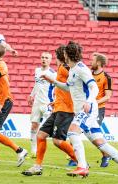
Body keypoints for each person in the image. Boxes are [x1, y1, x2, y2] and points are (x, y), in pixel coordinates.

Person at [42, 41, 118, 181]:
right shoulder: (72, 70)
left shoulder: (81, 69)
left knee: (72, 131)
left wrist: (89, 101)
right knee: (101, 144)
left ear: (67, 54)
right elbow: (68, 87)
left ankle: (82, 166)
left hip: (87, 110)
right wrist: (53, 82)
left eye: (65, 52)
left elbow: (94, 88)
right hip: (83, 110)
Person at [22, 45, 77, 176]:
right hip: (57, 107)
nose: (44, 59)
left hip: (65, 109)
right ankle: (37, 166)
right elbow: (61, 88)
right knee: (41, 135)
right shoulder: (60, 68)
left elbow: (72, 87)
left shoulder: (65, 69)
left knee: (58, 141)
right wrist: (56, 100)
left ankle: (80, 162)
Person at [27, 52, 56, 158]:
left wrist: (55, 101)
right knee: (34, 125)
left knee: (53, 127)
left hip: (47, 103)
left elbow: (57, 88)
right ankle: (34, 151)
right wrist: (31, 95)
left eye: (46, 58)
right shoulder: (37, 70)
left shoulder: (53, 73)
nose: (44, 59)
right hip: (37, 103)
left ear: (50, 60)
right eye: (42, 57)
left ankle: (65, 145)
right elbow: (36, 84)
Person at [91, 52, 113, 167]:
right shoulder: (88, 74)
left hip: (98, 109)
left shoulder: (106, 77)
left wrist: (93, 102)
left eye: (92, 60)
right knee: (78, 130)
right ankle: (74, 158)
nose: (90, 62)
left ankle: (106, 155)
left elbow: (107, 96)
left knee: (96, 135)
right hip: (87, 109)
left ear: (98, 63)